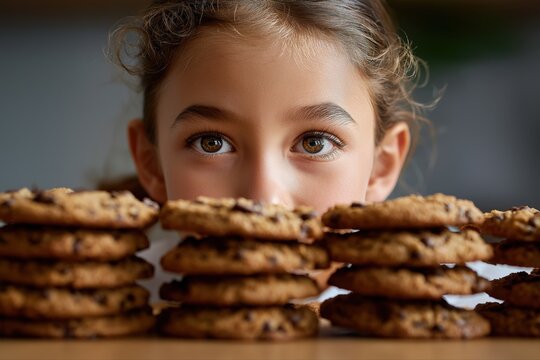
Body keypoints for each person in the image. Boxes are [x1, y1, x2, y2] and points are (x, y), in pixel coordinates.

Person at [110, 0, 429, 299]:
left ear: (380, 166)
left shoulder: (460, 305)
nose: (263, 202)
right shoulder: (119, 300)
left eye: (313, 143)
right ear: (152, 164)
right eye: (212, 143)